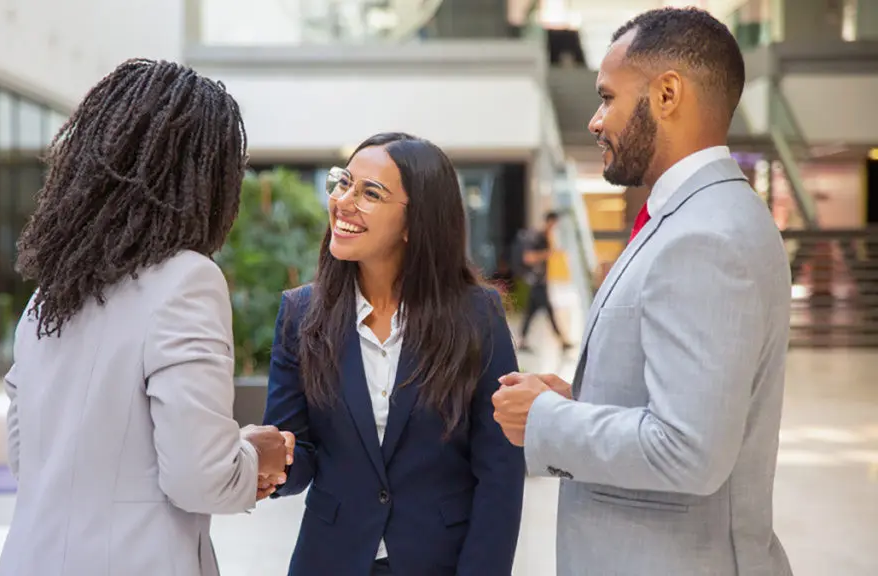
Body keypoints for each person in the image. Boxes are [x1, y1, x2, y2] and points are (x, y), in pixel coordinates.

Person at [491, 8, 793, 576]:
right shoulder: (700, 216)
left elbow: (689, 450)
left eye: (608, 97)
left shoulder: (704, 235)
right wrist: (579, 402)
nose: (595, 121)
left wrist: (546, 419)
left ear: (668, 93)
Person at [0, 59, 293, 576]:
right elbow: (199, 477)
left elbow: (27, 459)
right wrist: (255, 456)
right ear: (206, 178)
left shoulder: (48, 295)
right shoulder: (187, 280)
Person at [261, 133, 526, 576]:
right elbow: (298, 452)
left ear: (414, 222)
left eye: (370, 193)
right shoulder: (300, 314)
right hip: (330, 559)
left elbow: (500, 471)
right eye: (343, 183)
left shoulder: (477, 316)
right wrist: (271, 463)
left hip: (440, 560)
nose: (344, 201)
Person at [512, 211, 572, 351]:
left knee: (531, 313)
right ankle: (562, 340)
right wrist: (547, 253)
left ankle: (522, 340)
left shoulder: (544, 237)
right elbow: (528, 257)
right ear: (550, 221)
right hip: (537, 281)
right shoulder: (537, 237)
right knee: (547, 311)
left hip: (539, 282)